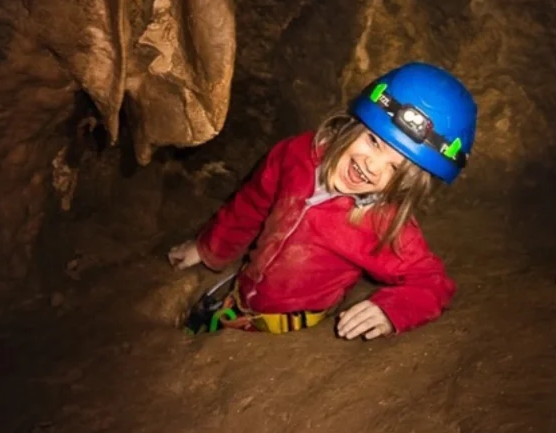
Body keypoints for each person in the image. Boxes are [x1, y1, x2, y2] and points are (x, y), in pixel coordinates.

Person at [168, 62, 477, 340]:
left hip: (291, 329)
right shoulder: (297, 154)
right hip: (242, 290)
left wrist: (391, 310)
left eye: (396, 169)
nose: (372, 165)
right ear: (356, 124)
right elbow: (252, 202)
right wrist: (210, 248)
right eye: (374, 141)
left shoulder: (383, 226)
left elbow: (432, 282)